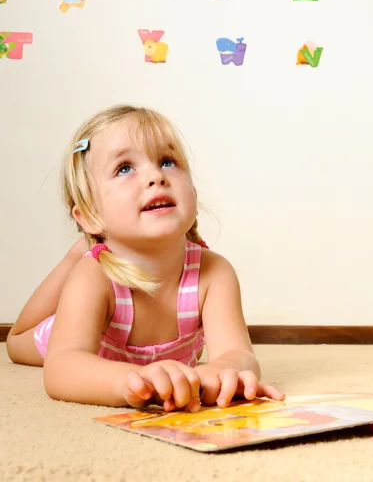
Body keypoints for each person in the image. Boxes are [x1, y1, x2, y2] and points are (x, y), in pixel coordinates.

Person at [7, 104, 285, 412]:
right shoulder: (93, 277)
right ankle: (74, 254)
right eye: (124, 168)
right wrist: (132, 381)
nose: (155, 176)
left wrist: (222, 372)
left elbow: (239, 353)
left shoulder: (213, 272)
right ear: (89, 215)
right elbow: (61, 369)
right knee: (17, 342)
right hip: (71, 327)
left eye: (167, 161)